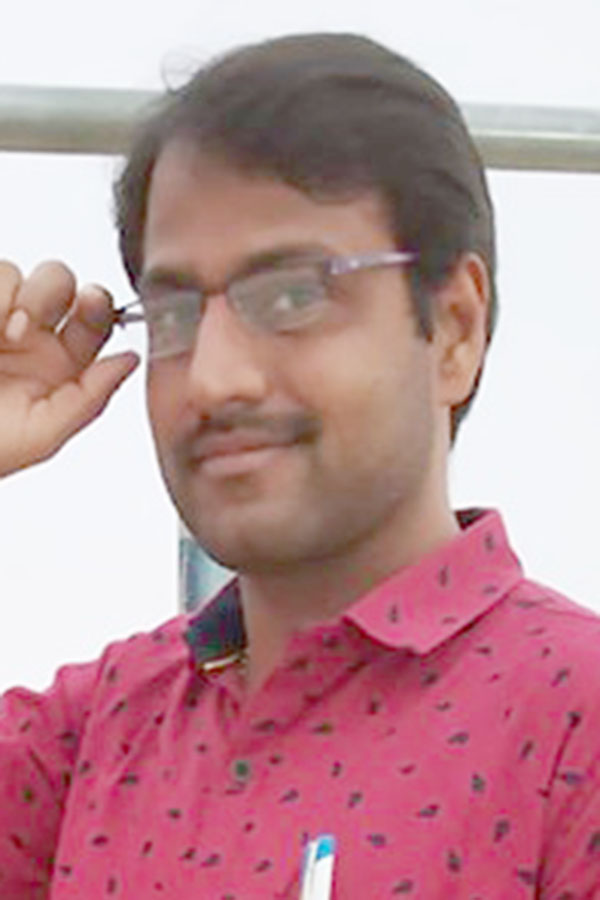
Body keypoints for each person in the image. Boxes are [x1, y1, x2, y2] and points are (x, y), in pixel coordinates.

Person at [0, 32, 599, 900]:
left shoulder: (573, 725)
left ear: (454, 329)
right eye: (174, 313)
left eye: (291, 296)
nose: (214, 379)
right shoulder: (92, 736)